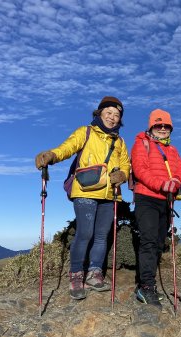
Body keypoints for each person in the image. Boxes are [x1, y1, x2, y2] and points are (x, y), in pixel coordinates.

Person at [34, 96, 131, 300]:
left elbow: (125, 165)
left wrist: (123, 175)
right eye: (109, 113)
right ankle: (76, 274)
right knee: (85, 233)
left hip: (110, 194)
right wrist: (52, 155)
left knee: (102, 236)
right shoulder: (85, 132)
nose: (112, 118)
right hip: (85, 191)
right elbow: (67, 148)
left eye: (117, 115)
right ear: (100, 113)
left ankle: (94, 273)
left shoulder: (120, 141)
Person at [130, 109, 181, 308]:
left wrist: (176, 181)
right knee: (148, 240)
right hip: (146, 197)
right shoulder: (141, 143)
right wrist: (162, 185)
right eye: (158, 125)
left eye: (166, 126)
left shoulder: (172, 150)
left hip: (166, 200)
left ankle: (149, 284)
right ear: (151, 126)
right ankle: (145, 287)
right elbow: (140, 170)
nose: (162, 128)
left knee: (157, 243)